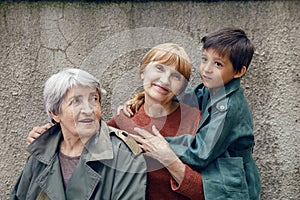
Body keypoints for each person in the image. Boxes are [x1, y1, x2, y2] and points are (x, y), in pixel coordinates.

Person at [26, 43, 205, 200]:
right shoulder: (122, 120)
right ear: (143, 72)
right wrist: (47, 138)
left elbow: (213, 192)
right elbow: (80, 144)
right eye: (159, 68)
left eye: (176, 76)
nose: (165, 80)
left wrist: (170, 160)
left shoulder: (195, 120)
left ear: (182, 86)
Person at [127, 27, 261, 200]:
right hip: (219, 172)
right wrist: (140, 99)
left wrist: (161, 144)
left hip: (234, 185)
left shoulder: (227, 107)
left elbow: (201, 152)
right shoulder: (211, 90)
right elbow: (182, 95)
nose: (207, 69)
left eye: (218, 64)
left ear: (239, 71)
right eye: (204, 59)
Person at [11, 68, 147, 200]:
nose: (88, 110)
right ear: (55, 113)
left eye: (94, 99)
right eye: (76, 101)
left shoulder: (123, 154)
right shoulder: (40, 152)